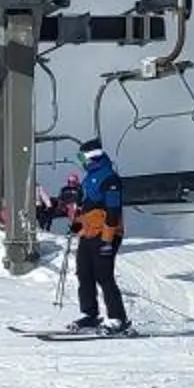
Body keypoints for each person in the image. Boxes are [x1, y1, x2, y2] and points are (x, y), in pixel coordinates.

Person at [68, 141, 129, 332]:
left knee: (104, 275)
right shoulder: (89, 177)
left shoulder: (109, 179)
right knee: (84, 273)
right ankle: (90, 314)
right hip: (89, 232)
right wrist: (78, 223)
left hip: (105, 233)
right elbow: (88, 206)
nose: (80, 162)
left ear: (92, 157)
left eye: (82, 158)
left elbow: (112, 210)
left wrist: (108, 239)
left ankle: (118, 318)